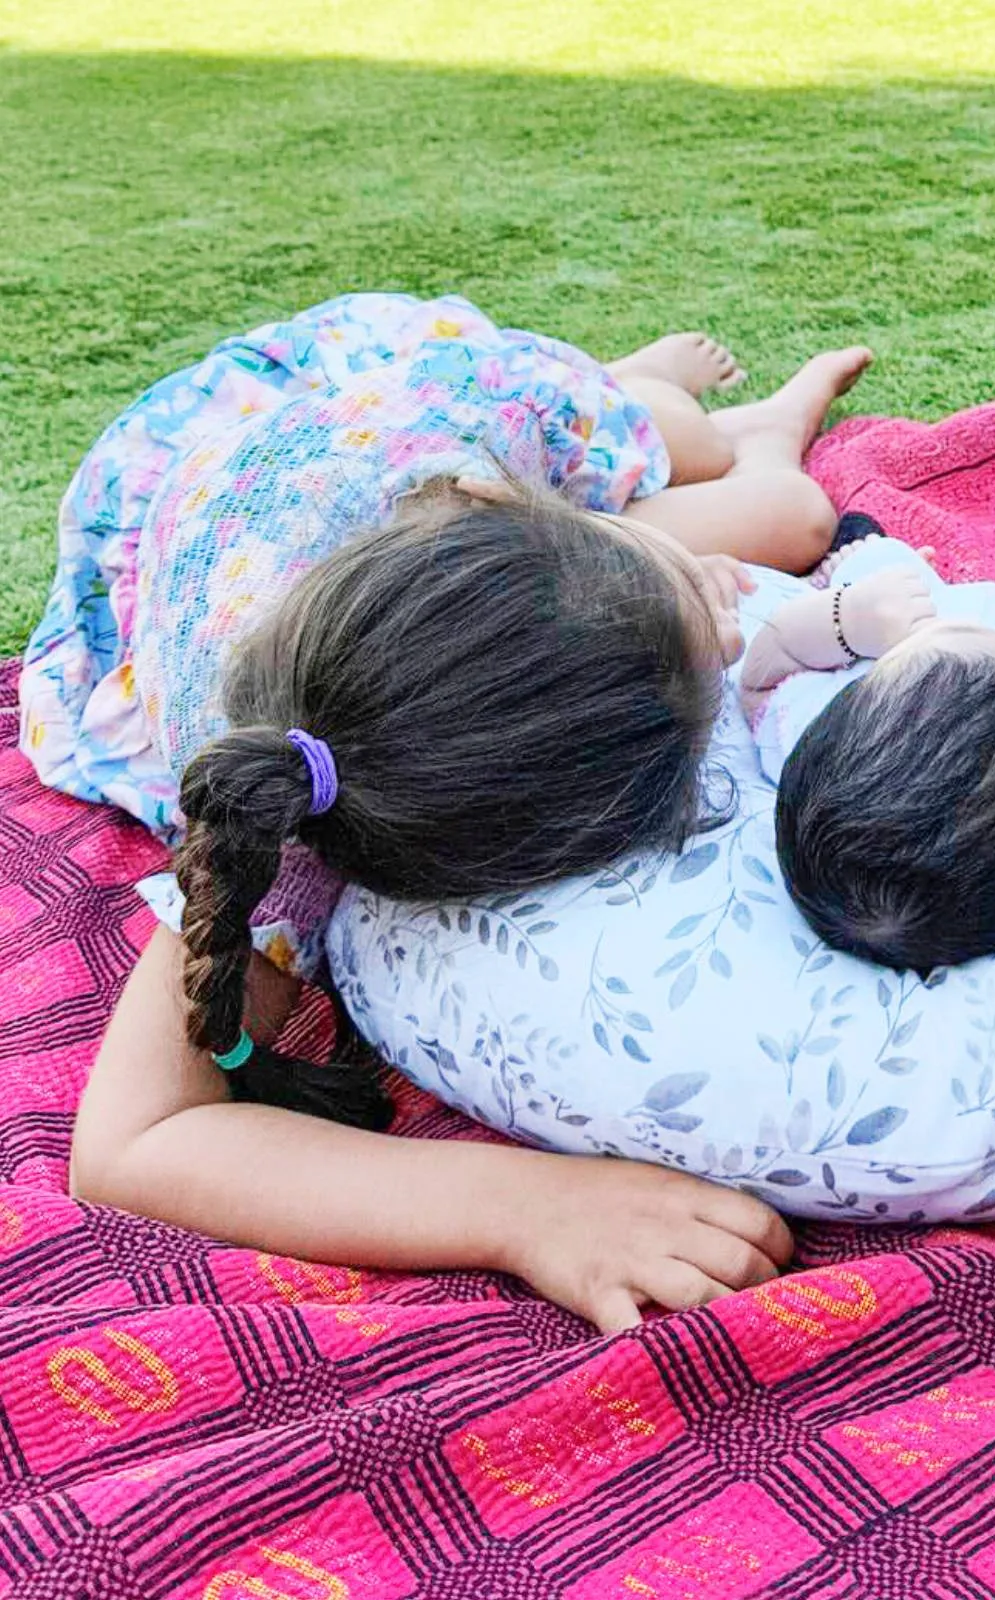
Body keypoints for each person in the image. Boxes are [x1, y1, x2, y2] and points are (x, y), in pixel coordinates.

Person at [29, 293, 870, 1325]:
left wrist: (663, 548)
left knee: (729, 474)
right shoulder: (286, 787)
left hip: (395, 392)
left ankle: (652, 392)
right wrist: (529, 1210)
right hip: (223, 477)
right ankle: (729, 423)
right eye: (705, 614)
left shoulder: (486, 438)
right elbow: (130, 1143)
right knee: (784, 519)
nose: (737, 637)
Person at [740, 535, 995, 970]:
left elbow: (759, 681)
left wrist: (846, 621)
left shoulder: (810, 722)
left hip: (895, 599)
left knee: (863, 551)